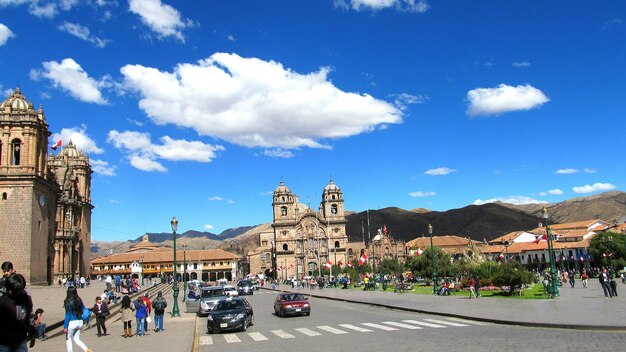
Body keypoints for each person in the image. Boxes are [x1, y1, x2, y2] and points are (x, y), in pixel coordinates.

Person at [0, 273, 35, 351]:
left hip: (20, 342)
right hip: (4, 343)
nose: (14, 293)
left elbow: (28, 318)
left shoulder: (25, 299)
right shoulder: (2, 302)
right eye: (11, 291)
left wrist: (32, 333)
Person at [63, 286, 92, 352]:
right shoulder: (79, 300)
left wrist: (65, 326)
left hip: (72, 323)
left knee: (68, 339)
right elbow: (83, 310)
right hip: (80, 322)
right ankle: (87, 349)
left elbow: (68, 315)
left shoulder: (68, 301)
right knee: (77, 339)